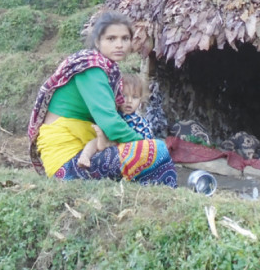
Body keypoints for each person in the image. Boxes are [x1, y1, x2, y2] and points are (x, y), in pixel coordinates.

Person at [27, 11, 177, 187]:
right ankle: (164, 193)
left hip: (81, 153)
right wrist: (144, 143)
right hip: (68, 162)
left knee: (156, 156)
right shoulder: (92, 69)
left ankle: (159, 195)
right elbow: (111, 124)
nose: (119, 45)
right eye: (111, 39)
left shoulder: (105, 69)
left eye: (125, 39)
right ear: (98, 42)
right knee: (156, 150)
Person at [77, 73, 152, 168]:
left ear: (140, 100)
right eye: (124, 96)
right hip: (109, 150)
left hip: (128, 153)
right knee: (94, 141)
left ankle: (106, 144)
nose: (129, 101)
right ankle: (84, 157)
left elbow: (147, 144)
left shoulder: (140, 123)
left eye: (134, 97)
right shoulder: (112, 116)